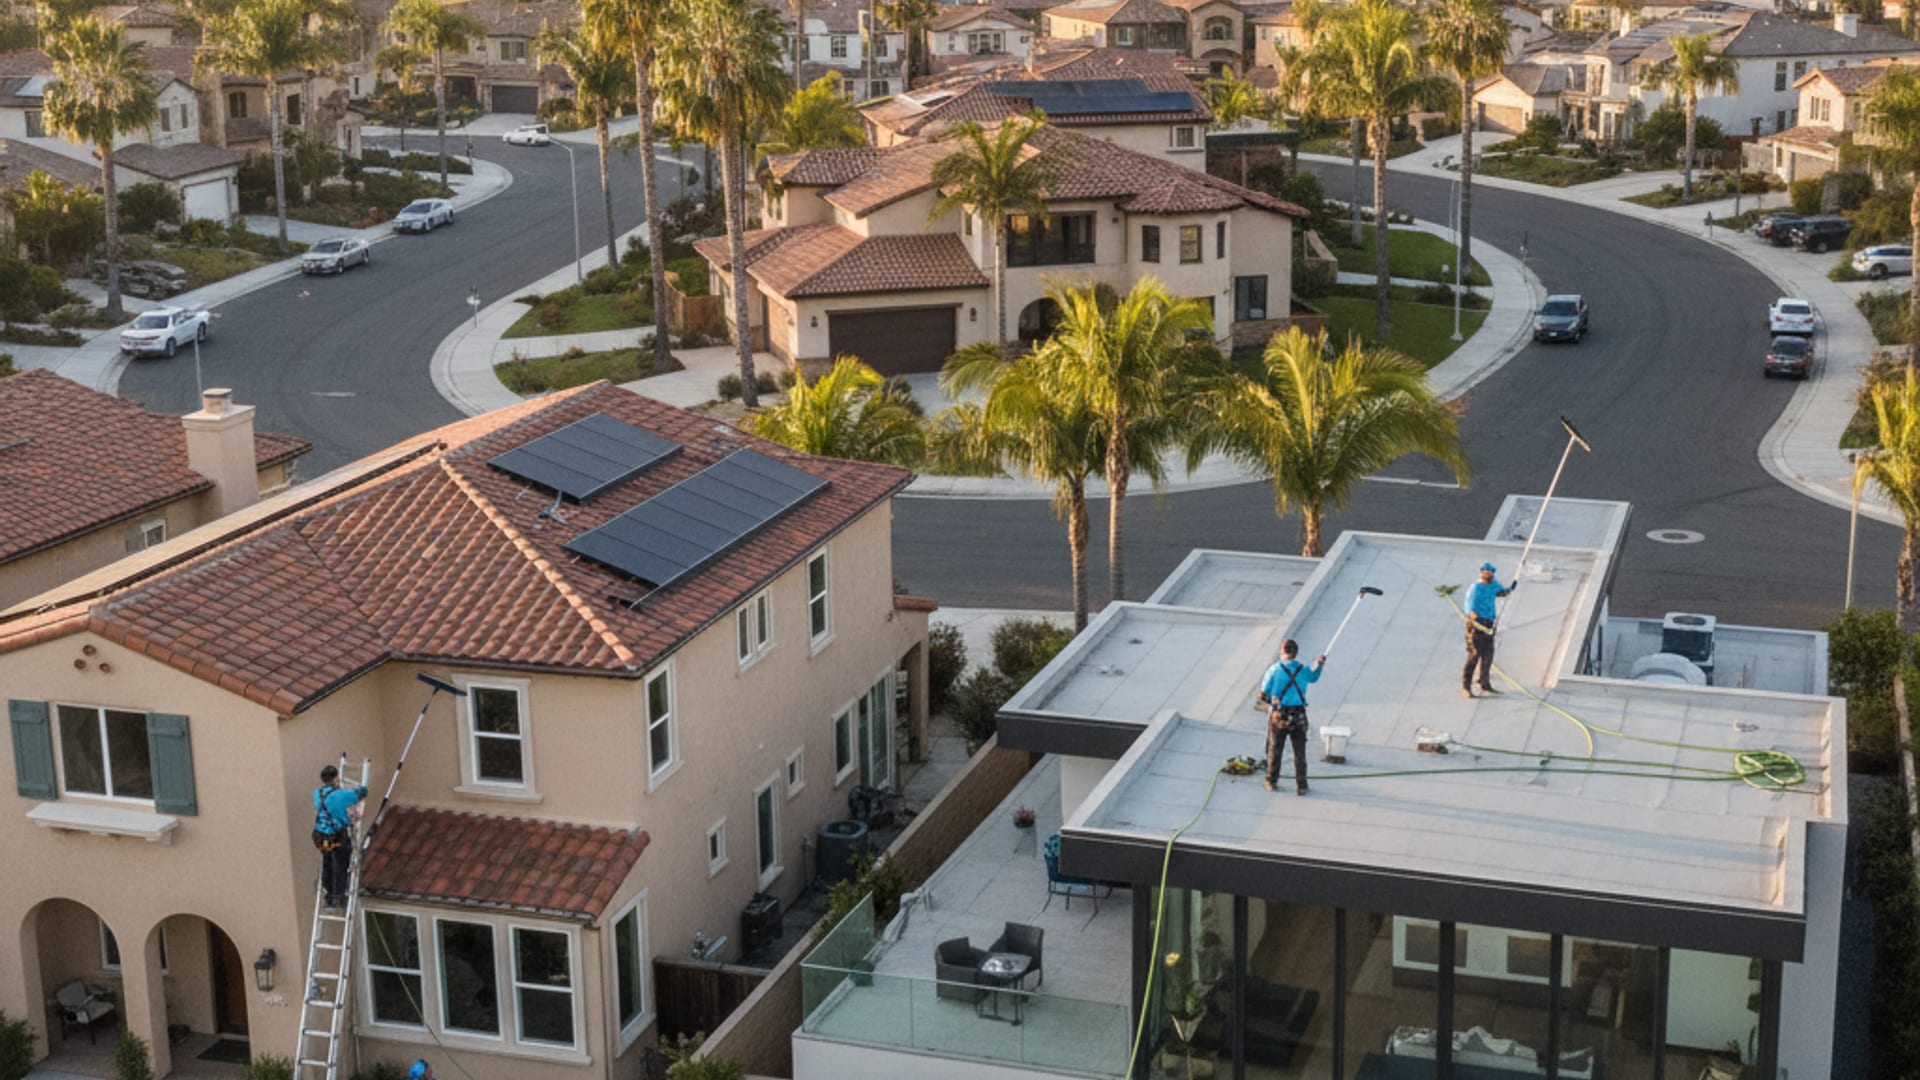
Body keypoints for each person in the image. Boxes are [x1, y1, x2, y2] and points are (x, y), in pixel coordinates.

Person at [1259, 639, 1324, 795]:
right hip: (1298, 715)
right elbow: (1314, 677)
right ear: (1295, 653)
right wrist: (1319, 664)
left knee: (1275, 749)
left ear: (1282, 652)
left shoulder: (1274, 670)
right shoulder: (1302, 670)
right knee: (1299, 752)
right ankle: (1301, 785)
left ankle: (1271, 781)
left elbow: (1263, 692)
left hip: (1279, 715)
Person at [312, 765, 368, 911]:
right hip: (337, 838)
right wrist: (361, 788)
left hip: (321, 837)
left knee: (328, 864)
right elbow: (361, 793)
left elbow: (323, 806)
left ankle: (329, 899)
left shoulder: (317, 794)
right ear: (336, 777)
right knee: (341, 866)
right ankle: (339, 896)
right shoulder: (341, 795)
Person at [1461, 562, 1515, 699]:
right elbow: (1468, 603)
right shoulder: (1475, 587)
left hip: (1489, 623)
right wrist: (1471, 613)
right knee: (1474, 655)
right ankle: (1466, 687)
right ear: (1481, 572)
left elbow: (1501, 593)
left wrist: (1510, 589)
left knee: (1488, 654)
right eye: (1485, 572)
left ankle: (1484, 682)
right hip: (1476, 624)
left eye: (1490, 572)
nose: (1487, 574)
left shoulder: (1494, 585)